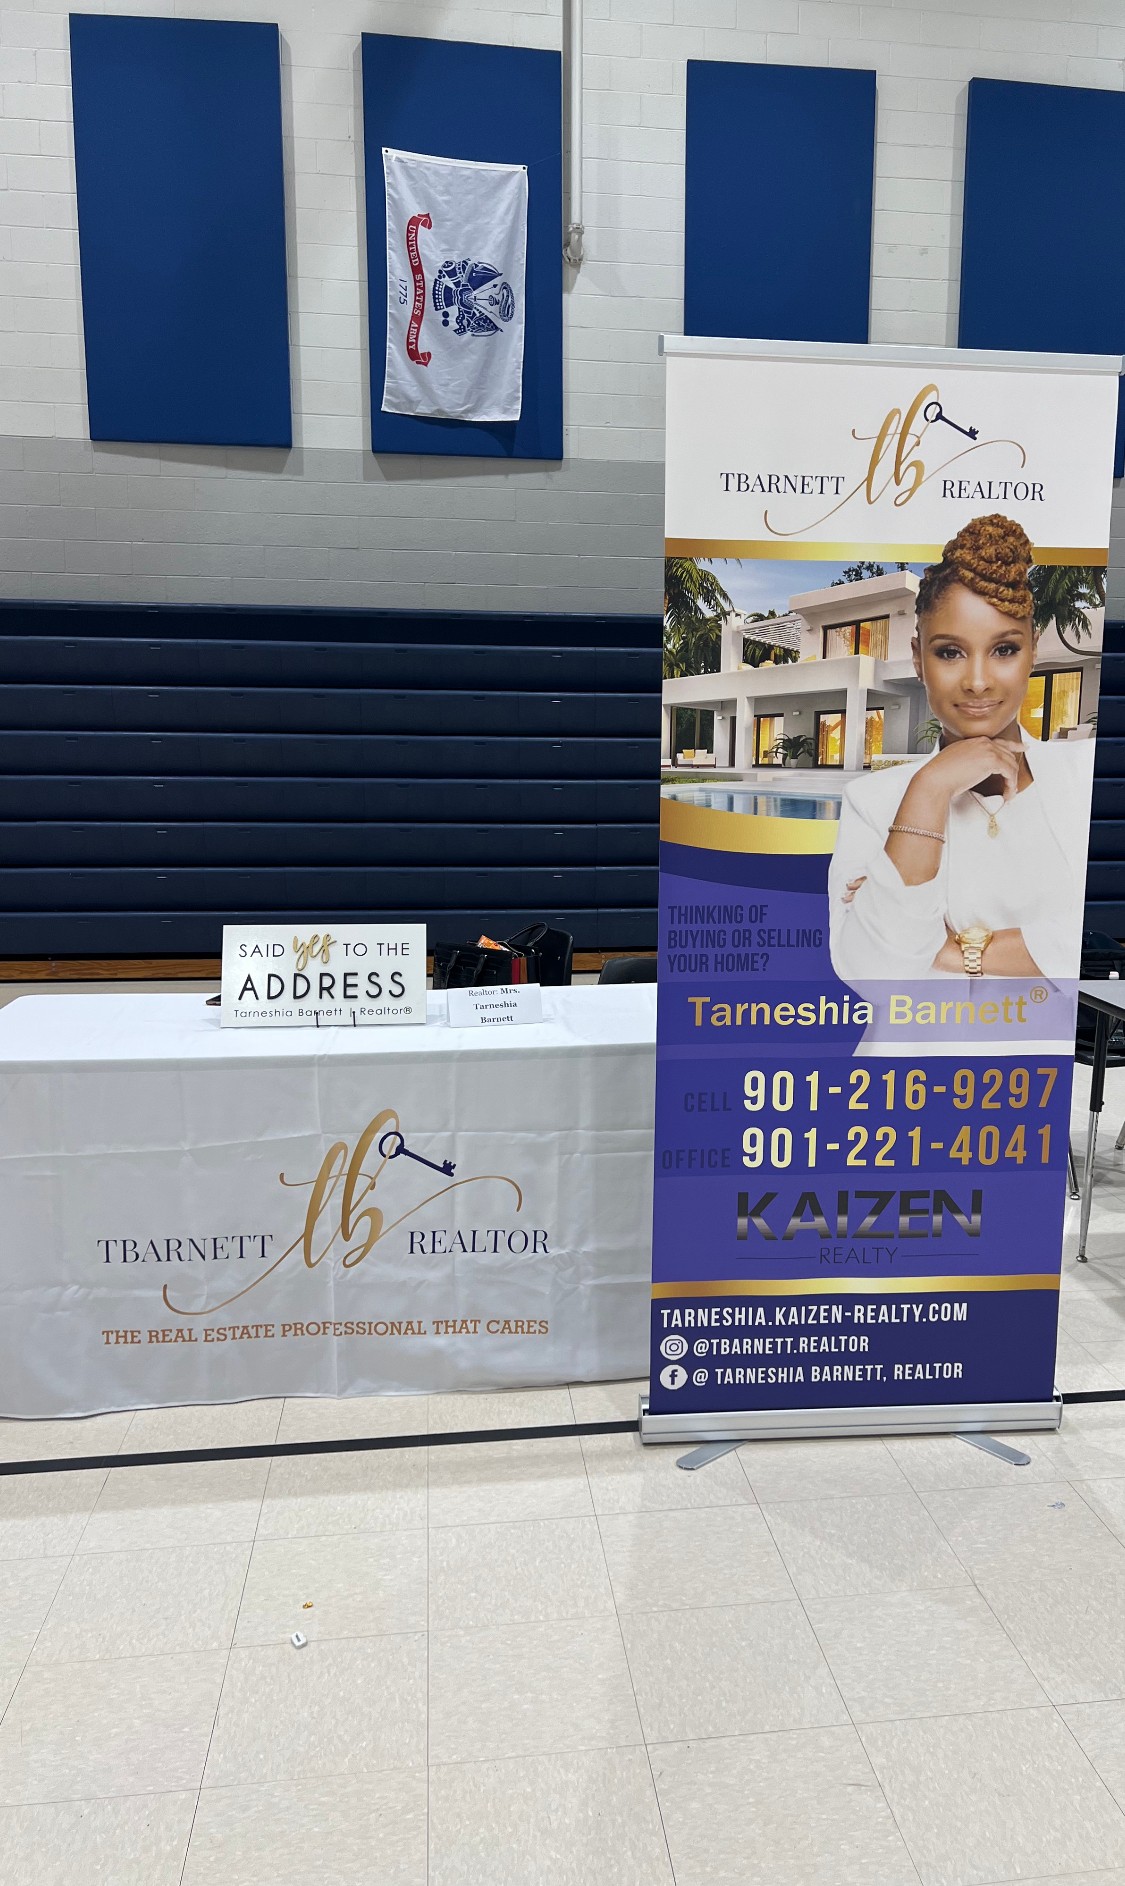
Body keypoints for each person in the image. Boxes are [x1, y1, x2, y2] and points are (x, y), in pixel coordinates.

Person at [828, 514, 1094, 983]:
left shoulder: (1088, 775)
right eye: (950, 652)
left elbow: (1100, 943)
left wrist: (950, 949)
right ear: (918, 659)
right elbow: (871, 974)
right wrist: (930, 788)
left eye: (1004, 650)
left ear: (1033, 651)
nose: (977, 681)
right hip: (917, 1035)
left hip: (1067, 1035)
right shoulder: (870, 800)